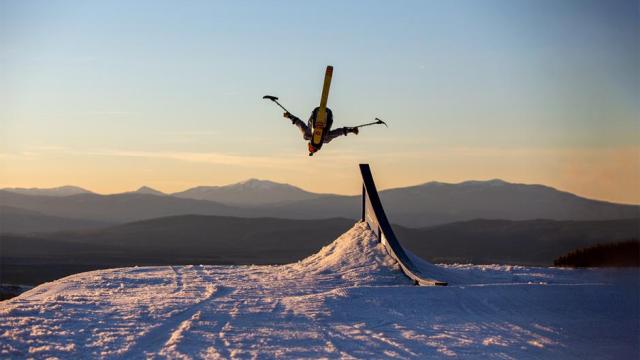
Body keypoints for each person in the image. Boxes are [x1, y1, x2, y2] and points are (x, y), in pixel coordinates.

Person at [284, 107, 359, 154]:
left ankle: (318, 121)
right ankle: (321, 121)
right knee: (325, 134)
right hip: (328, 115)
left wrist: (290, 116)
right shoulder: (325, 139)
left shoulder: (307, 136)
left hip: (316, 114)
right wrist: (351, 130)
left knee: (318, 131)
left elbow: (299, 123)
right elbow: (338, 132)